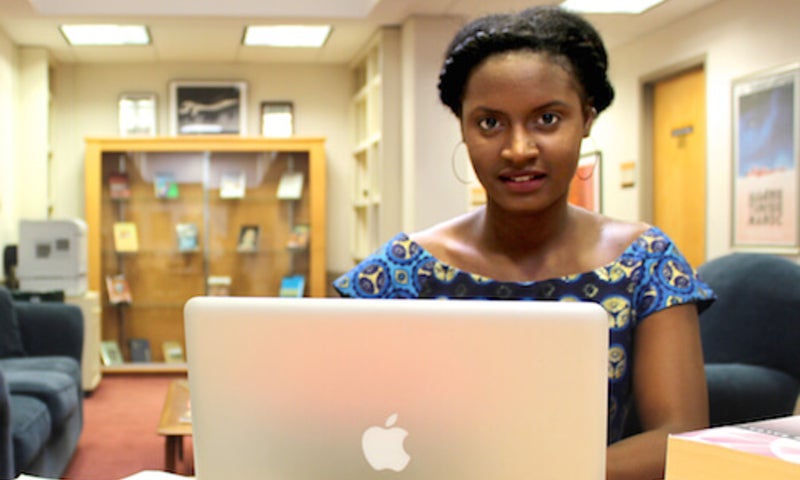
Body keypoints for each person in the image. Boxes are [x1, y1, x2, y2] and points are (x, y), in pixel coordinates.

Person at [334, 6, 714, 480]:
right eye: (490, 123)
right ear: (463, 127)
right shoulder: (401, 270)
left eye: (547, 119)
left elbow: (680, 436)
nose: (518, 149)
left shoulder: (646, 262)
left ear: (587, 118)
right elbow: (329, 425)